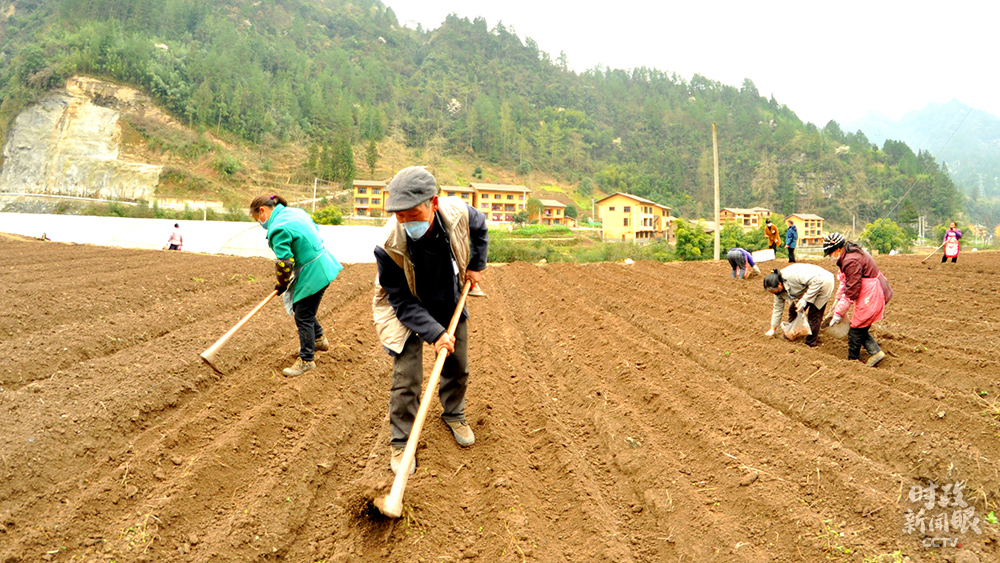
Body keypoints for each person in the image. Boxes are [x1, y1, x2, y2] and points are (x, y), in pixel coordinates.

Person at [373, 166, 489, 476]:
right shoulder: (388, 244)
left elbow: (480, 227)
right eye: (400, 216)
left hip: (446, 294)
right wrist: (435, 334)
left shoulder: (457, 212)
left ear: (433, 203)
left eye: (413, 214)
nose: (406, 221)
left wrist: (476, 265)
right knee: (407, 377)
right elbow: (401, 301)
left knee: (458, 363)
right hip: (405, 306)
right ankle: (402, 442)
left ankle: (454, 414)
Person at [250, 194, 343, 377]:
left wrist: (281, 284)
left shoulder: (278, 228)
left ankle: (307, 360)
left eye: (258, 219)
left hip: (313, 271)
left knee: (303, 315)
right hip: (323, 261)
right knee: (302, 309)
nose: (261, 223)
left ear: (262, 210)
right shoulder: (295, 212)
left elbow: (284, 262)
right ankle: (318, 339)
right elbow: (315, 230)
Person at [824, 232, 892, 367]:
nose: (831, 256)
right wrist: (837, 301)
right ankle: (876, 352)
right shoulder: (848, 254)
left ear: (838, 249)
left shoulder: (851, 261)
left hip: (871, 293)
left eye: (831, 253)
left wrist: (838, 314)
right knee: (861, 327)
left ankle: (853, 363)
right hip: (872, 289)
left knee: (855, 330)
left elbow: (851, 291)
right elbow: (844, 281)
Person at [762, 263, 834, 348]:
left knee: (814, 315)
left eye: (774, 291)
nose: (774, 293)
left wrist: (805, 299)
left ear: (779, 284)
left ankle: (810, 343)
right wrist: (772, 328)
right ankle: (792, 333)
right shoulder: (777, 290)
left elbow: (817, 281)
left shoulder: (793, 276)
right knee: (794, 310)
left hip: (823, 283)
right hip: (807, 287)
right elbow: (777, 307)